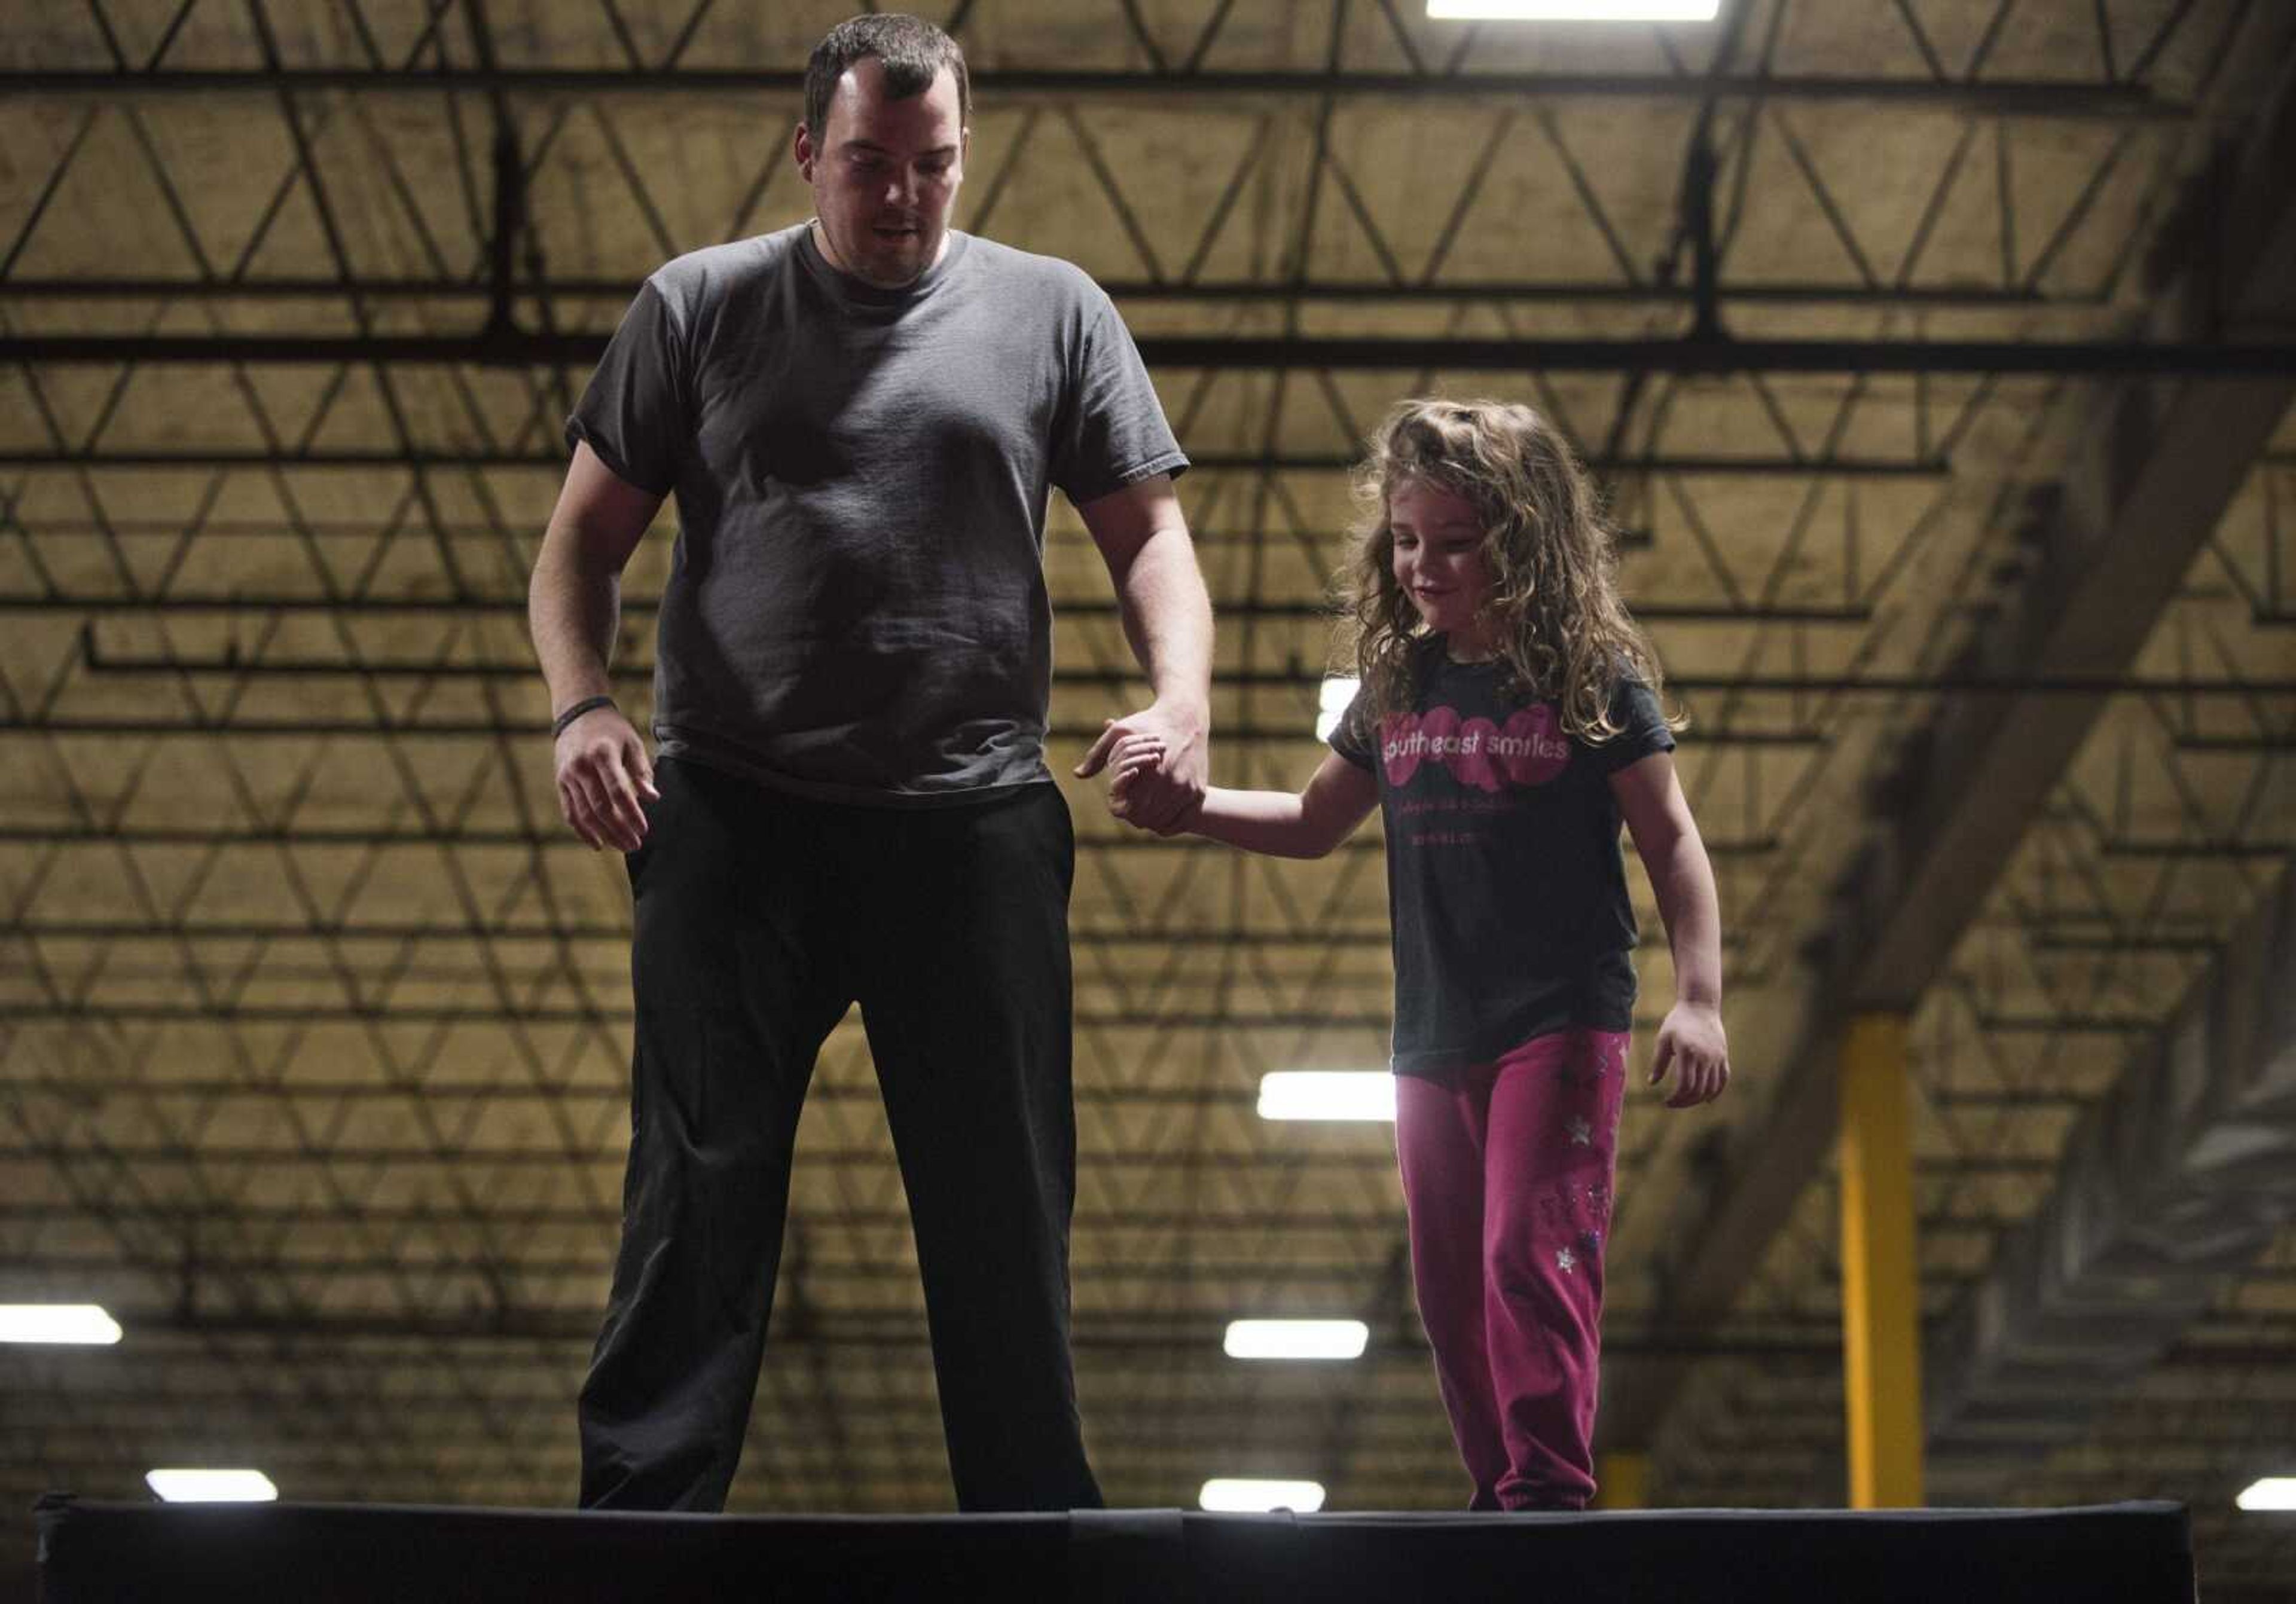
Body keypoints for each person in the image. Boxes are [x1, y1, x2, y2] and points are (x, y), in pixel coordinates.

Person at [527, 13, 1212, 1513]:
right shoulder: (700, 307)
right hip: (732, 817)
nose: (903, 197)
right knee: (697, 1192)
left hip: (969, 822)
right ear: (805, 153)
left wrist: (1183, 697)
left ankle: (1034, 1528)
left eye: (935, 166)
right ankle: (641, 1518)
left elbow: (1150, 534)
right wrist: (584, 709)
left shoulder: (1055, 313)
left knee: (1001, 1212)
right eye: (868, 166)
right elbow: (579, 542)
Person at [1109, 398, 1728, 1512]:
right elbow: (1308, 822)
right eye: (1406, 542)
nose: (1424, 567)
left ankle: (1547, 1488)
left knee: (1522, 1257)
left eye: (1456, 542)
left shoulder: (1588, 681)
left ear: (1523, 540)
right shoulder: (1401, 688)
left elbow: (1672, 842)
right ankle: (1499, 1494)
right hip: (1433, 1035)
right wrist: (1183, 808)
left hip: (1559, 1021)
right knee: (1447, 1288)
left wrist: (1700, 998)